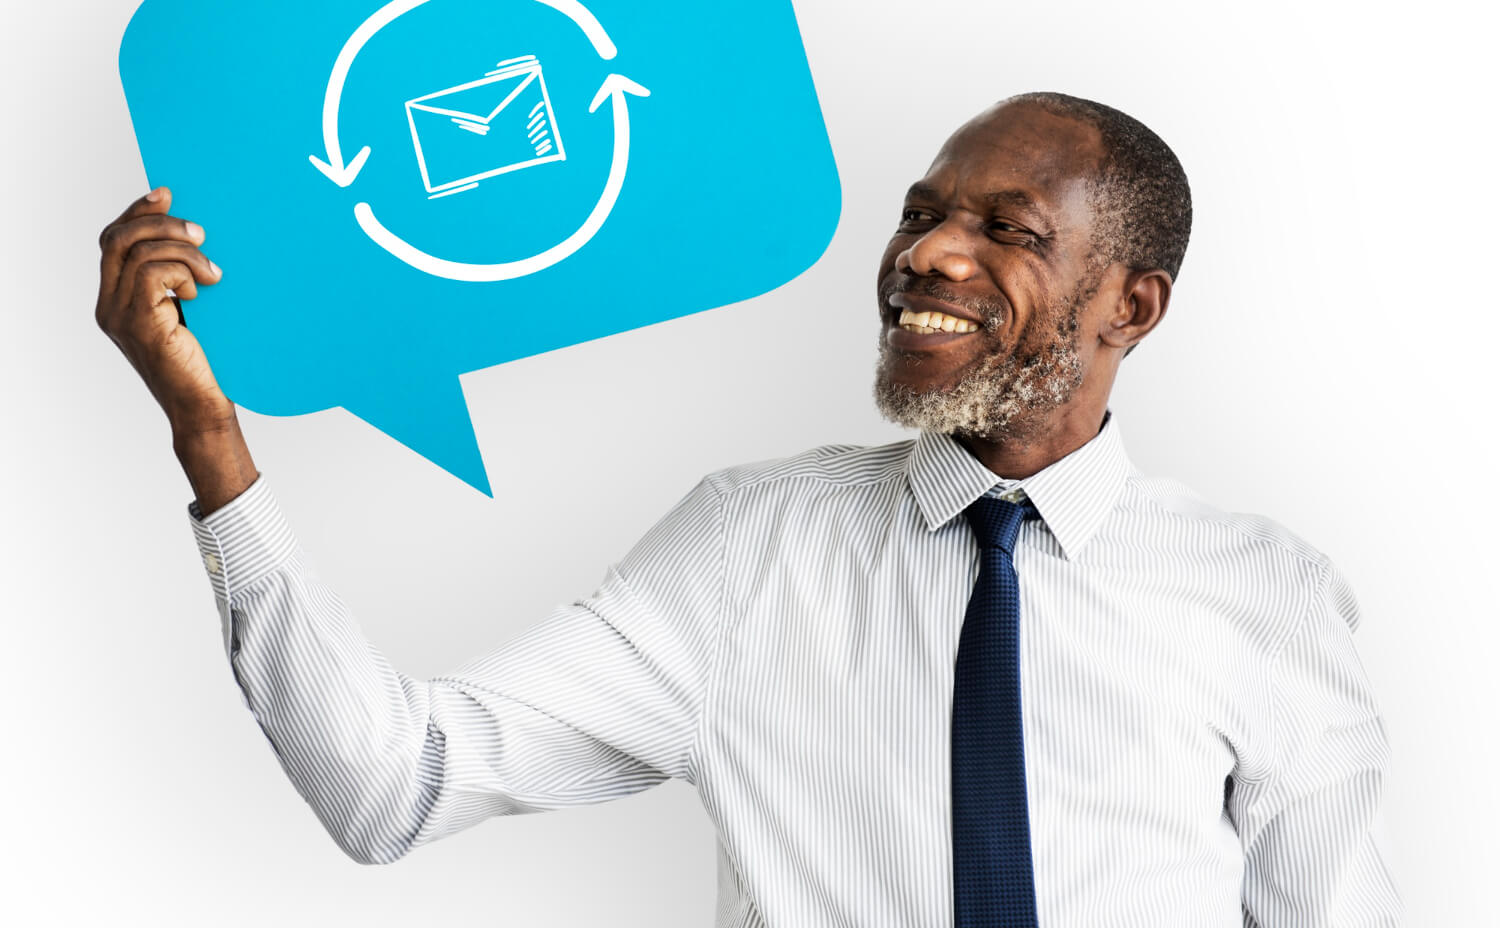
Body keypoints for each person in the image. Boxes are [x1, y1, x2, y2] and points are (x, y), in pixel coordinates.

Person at [96, 93, 1400, 926]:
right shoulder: (751, 548)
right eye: (923, 217)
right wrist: (208, 435)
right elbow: (393, 785)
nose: (930, 255)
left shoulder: (1260, 589)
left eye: (1008, 230)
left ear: (1130, 306)